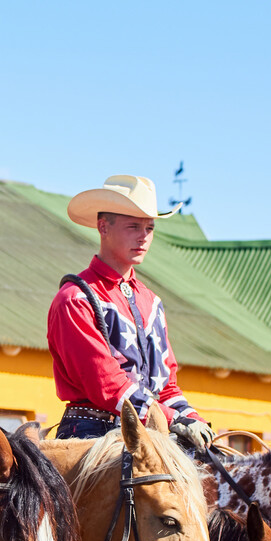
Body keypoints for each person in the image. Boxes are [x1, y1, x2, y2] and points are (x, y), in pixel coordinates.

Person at [47, 174, 215, 447]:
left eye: (149, 228)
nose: (143, 237)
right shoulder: (75, 299)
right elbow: (106, 383)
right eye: (133, 226)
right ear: (103, 227)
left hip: (152, 433)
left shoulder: (152, 303)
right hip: (90, 435)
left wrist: (193, 419)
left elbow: (167, 385)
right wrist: (175, 420)